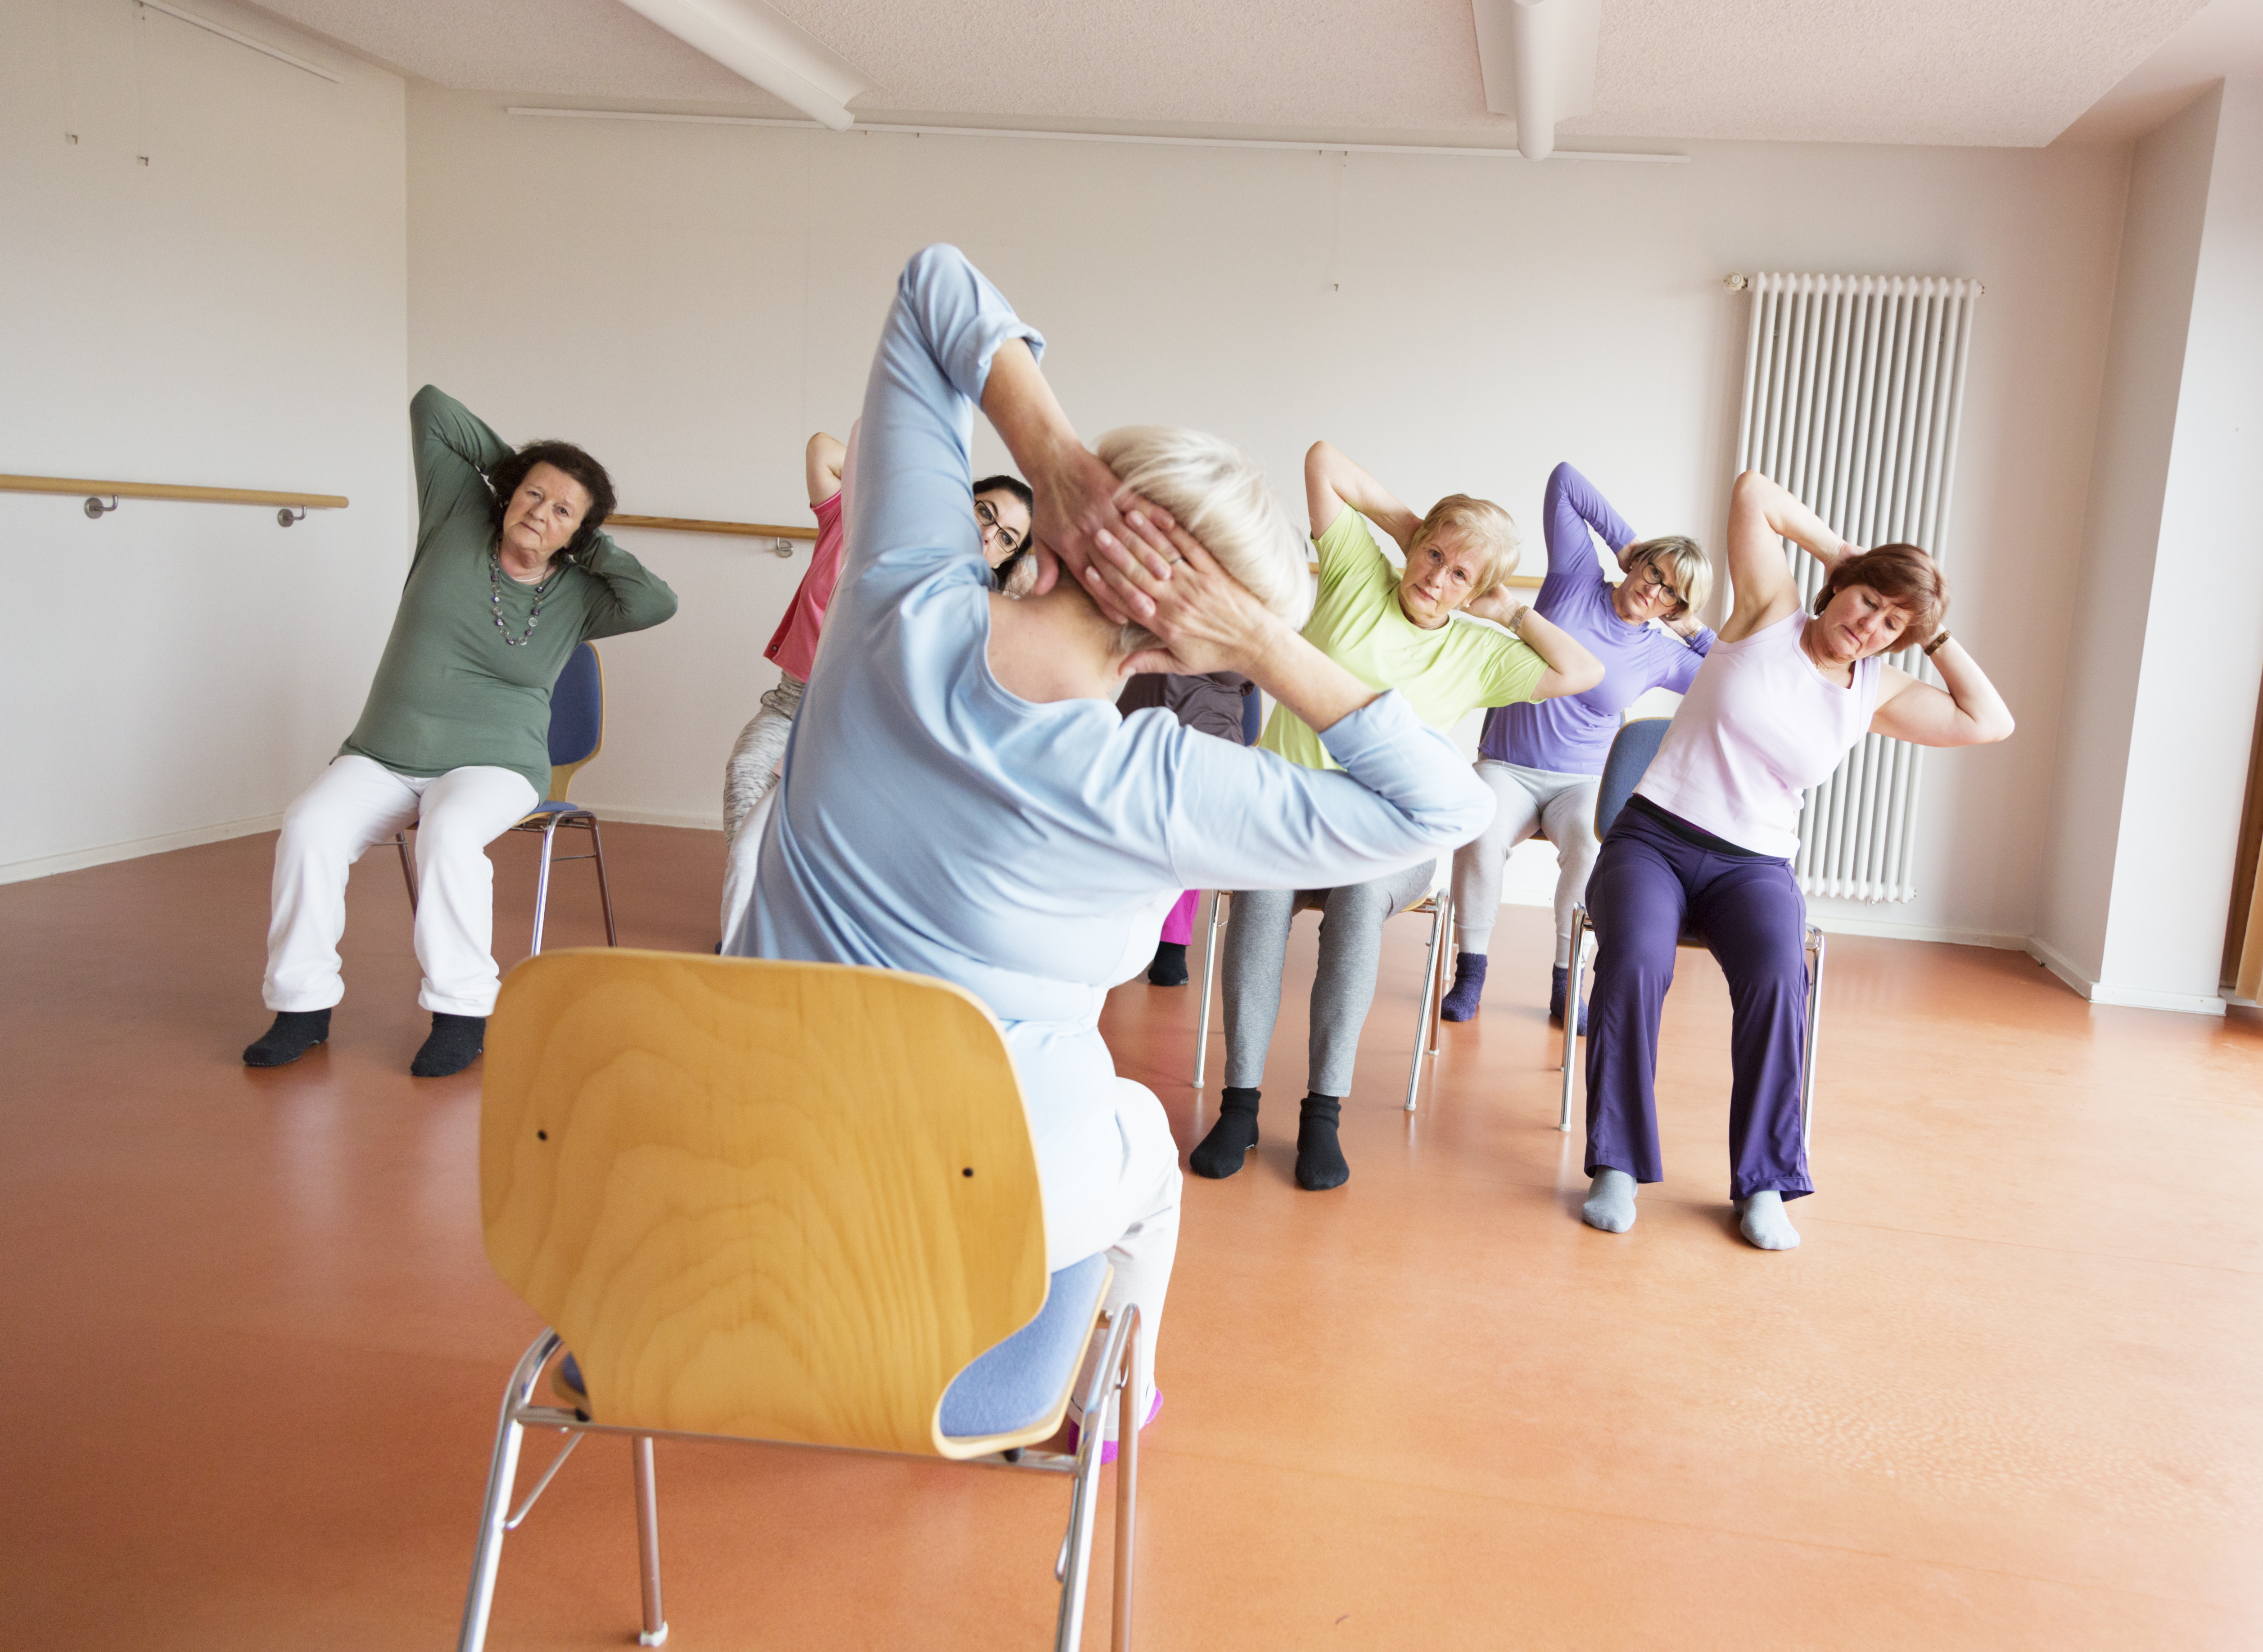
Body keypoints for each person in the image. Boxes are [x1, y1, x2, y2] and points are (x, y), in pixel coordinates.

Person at [732, 244, 1490, 1443]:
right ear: (1193, 640)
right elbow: (1447, 811)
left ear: (1072, 520)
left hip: (724, 1226)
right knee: (1139, 1137)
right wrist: (1262, 645)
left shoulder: (896, 599)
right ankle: (1111, 1415)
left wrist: (1053, 462)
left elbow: (935, 285)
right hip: (940, 1268)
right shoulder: (1162, 786)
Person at [1578, 469, 2013, 1249]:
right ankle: (1617, 1164)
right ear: (1841, 588)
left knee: (1781, 979)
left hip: (1755, 868)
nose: (1871, 626)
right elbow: (1754, 493)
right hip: (1655, 838)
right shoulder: (1770, 609)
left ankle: (1765, 1184)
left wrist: (1936, 631)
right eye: (1868, 602)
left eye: (1893, 623)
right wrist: (1847, 555)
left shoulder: (1875, 689)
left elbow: (1991, 721)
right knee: (1636, 960)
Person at [1192, 442, 1604, 1192]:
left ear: (1479, 590)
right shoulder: (1358, 573)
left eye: (1460, 574)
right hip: (1287, 817)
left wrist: (1511, 609)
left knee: (1355, 904)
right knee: (1260, 900)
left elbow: (1584, 673)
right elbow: (1320, 460)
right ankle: (1240, 1105)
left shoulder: (1482, 652)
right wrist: (1415, 530)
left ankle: (1323, 1115)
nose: (1436, 578)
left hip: (1388, 836)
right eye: (1433, 556)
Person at [244, 387, 678, 1078]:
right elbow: (432, 410)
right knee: (309, 827)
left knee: (449, 834)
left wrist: (583, 531)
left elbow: (659, 600)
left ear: (580, 535)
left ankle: (462, 1013)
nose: (540, 513)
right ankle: (302, 1007)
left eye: (562, 511)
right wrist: (523, 476)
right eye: (533, 496)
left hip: (495, 764)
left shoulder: (581, 595)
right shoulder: (456, 517)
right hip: (385, 754)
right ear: (508, 493)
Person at [714, 428, 1031, 941]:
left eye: (1008, 539)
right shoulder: (866, 521)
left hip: (867, 731)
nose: (989, 534)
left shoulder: (971, 601)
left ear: (1006, 559)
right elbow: (822, 448)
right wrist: (919, 491)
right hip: (792, 704)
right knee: (748, 779)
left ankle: (798, 927)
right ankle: (755, 924)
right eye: (985, 512)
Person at [1441, 462, 1714, 1029]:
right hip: (1507, 768)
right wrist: (1626, 542)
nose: (1652, 588)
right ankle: (1471, 971)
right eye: (1653, 571)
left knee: (1592, 851)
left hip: (1582, 782)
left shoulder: (1663, 653)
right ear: (1636, 564)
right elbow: (1565, 481)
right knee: (1480, 832)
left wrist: (1693, 631)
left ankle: (1567, 985)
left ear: (1676, 607)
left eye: (1671, 592)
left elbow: (1733, 672)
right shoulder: (1574, 578)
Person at [1114, 670, 1258, 986]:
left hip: (1187, 734)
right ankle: (1156, 937)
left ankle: (1168, 942)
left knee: (1185, 815)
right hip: (1157, 724)